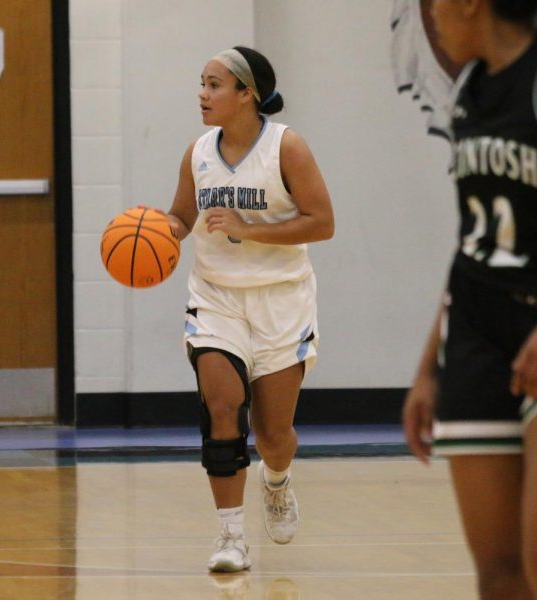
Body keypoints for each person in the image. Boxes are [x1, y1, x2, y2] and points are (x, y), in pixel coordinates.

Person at [402, 1, 537, 598]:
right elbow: (475, 240)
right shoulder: (471, 87)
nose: (428, 17)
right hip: (477, 336)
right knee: (500, 577)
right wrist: (428, 367)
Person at [161, 46, 334, 572]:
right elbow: (181, 215)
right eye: (202, 83)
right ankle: (231, 536)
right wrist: (154, 233)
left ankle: (276, 480)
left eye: (214, 85)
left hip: (281, 300)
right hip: (215, 298)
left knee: (274, 436)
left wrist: (250, 229)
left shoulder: (287, 148)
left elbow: (322, 222)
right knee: (221, 409)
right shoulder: (198, 152)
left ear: (247, 93)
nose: (203, 94)